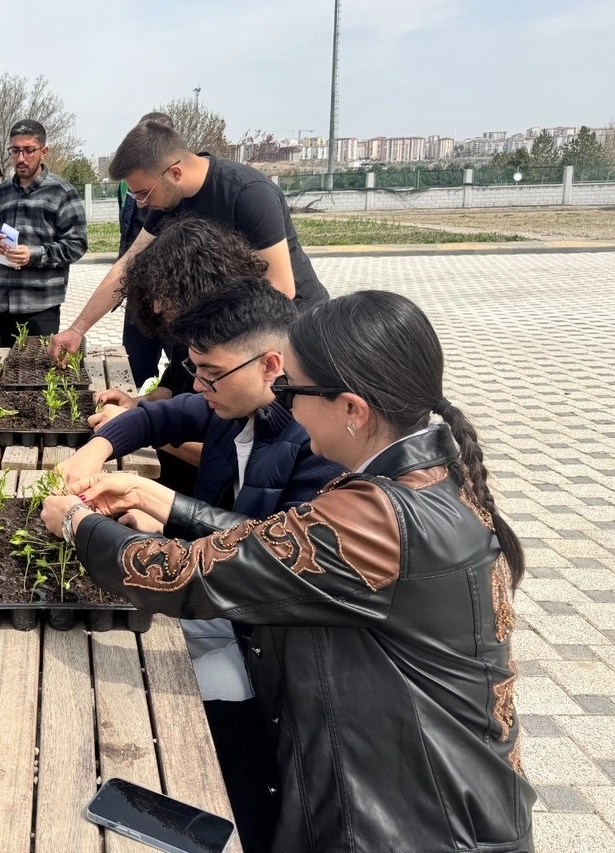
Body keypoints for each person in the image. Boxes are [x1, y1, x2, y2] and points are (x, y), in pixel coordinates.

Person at [44, 290, 535, 853]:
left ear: (352, 409)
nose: (283, 404)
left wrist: (77, 523)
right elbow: (274, 543)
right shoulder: (426, 477)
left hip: (413, 830)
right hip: (435, 804)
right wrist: (155, 499)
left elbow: (188, 575)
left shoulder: (379, 518)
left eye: (292, 390)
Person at [57, 278, 343, 851]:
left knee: (143, 698)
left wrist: (135, 511)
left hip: (264, 645)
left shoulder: (319, 449)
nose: (198, 385)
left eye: (210, 372)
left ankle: (230, 803)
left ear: (270, 366)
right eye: (194, 368)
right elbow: (156, 418)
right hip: (223, 608)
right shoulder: (230, 405)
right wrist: (97, 448)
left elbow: (267, 557)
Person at [50, 120, 327, 362]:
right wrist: (77, 329)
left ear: (175, 173)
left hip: (289, 328)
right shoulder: (168, 200)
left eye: (144, 193)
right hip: (223, 325)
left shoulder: (248, 193)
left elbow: (280, 287)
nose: (141, 203)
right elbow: (128, 265)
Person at [92, 216, 271, 496]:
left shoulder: (239, 352)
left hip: (201, 494)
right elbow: (170, 389)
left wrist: (143, 428)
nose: (157, 308)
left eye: (165, 296)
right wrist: (138, 403)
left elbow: (226, 456)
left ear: (194, 286)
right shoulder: (191, 335)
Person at [0, 118, 88, 346]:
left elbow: (77, 244)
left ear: (44, 151)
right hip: (4, 303)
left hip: (41, 305)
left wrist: (34, 254)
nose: (21, 158)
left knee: (40, 366)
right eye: (15, 150)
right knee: (7, 363)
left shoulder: (61, 192)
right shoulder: (2, 192)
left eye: (29, 150)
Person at [117, 111, 175, 386]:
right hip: (138, 292)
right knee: (136, 365)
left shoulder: (174, 189)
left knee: (180, 367)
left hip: (172, 297)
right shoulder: (131, 185)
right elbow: (130, 240)